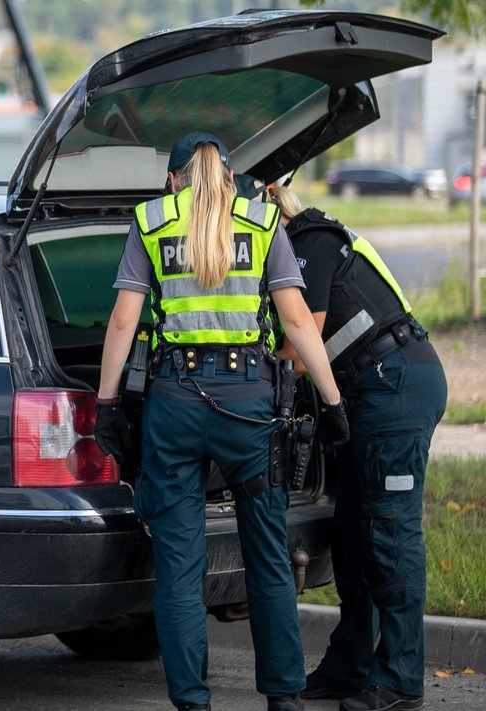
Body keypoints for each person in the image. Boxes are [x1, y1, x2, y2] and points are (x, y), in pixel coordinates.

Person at [93, 133, 350, 711]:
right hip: (249, 408)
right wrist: (332, 404)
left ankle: (192, 702)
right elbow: (299, 325)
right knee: (267, 558)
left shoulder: (152, 222)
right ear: (232, 179)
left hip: (175, 405)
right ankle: (284, 698)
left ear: (173, 179)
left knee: (181, 568)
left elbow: (120, 324)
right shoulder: (262, 225)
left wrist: (107, 405)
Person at [270, 183, 446, 711]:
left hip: (395, 385)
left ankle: (401, 679)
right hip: (367, 390)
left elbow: (302, 342)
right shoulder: (289, 252)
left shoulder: (312, 241)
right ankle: (351, 665)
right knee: (351, 535)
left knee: (389, 535)